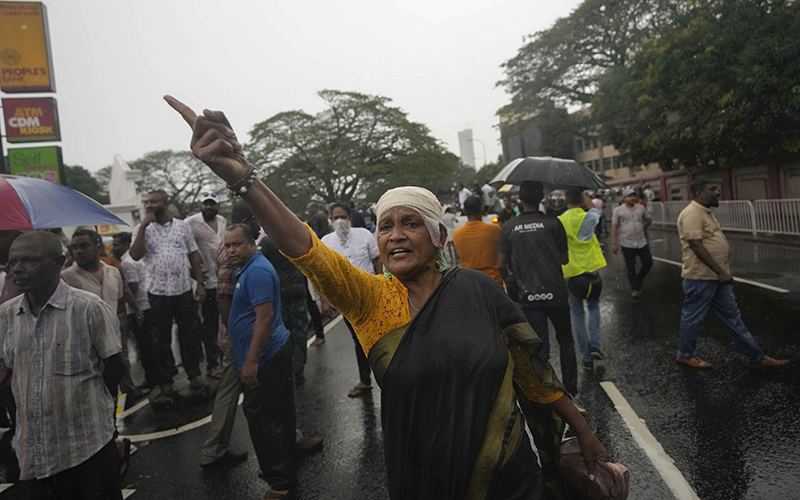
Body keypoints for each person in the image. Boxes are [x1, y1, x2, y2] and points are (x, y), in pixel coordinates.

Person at [165, 96, 609, 500]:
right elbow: (305, 249)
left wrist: (582, 429)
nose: (395, 234)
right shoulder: (370, 300)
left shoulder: (478, 290)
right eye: (385, 225)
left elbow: (532, 372)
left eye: (410, 223)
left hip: (512, 477)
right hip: (426, 481)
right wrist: (243, 178)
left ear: (438, 237)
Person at [0, 231, 126, 500]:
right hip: (33, 454)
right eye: (12, 262)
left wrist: (99, 413)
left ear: (58, 263)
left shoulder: (89, 308)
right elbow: (14, 368)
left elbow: (114, 368)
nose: (17, 270)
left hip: (86, 448)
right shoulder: (7, 315)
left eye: (29, 261)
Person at [675, 180, 789, 370]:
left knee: (733, 317)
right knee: (693, 318)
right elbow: (696, 245)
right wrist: (720, 271)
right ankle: (685, 355)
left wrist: (723, 271)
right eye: (712, 189)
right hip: (700, 278)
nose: (718, 192)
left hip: (718, 277)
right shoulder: (692, 214)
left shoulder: (706, 212)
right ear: (697, 193)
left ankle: (756, 357)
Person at [224, 223, 297, 498]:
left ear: (252, 243)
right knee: (277, 416)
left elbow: (264, 318)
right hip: (267, 353)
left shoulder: (257, 271)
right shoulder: (249, 267)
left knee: (264, 419)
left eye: (236, 244)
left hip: (266, 356)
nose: (231, 250)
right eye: (227, 245)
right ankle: (282, 469)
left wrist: (251, 362)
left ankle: (279, 481)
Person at [498, 181, 578, 396]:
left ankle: (549, 391)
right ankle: (570, 389)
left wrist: (513, 281)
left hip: (528, 294)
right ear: (541, 197)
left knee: (538, 346)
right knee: (566, 340)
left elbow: (500, 265)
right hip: (557, 292)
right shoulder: (553, 223)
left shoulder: (509, 227)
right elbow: (563, 259)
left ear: (521, 199)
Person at [130, 189, 207, 397]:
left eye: (153, 201)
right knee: (160, 339)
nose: (149, 205)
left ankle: (194, 374)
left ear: (165, 202)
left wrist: (199, 284)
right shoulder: (141, 228)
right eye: (147, 202)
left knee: (189, 335)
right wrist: (144, 226)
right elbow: (135, 255)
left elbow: (193, 256)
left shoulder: (183, 227)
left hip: (183, 289)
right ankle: (166, 380)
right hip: (158, 292)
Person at [62, 229, 143, 400]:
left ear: (99, 247)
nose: (79, 251)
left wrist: (136, 309)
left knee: (121, 363)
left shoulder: (112, 271)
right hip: (85, 342)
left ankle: (126, 390)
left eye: (84, 246)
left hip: (113, 332)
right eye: (75, 247)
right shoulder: (65, 278)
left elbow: (123, 293)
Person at [320, 203, 381, 398]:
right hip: (346, 301)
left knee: (380, 336)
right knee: (359, 340)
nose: (340, 220)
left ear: (350, 217)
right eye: (336, 217)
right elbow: (323, 274)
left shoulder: (364, 234)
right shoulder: (326, 241)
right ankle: (365, 380)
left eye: (343, 216)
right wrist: (324, 300)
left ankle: (389, 377)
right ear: (331, 219)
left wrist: (383, 285)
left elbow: (377, 260)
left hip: (371, 294)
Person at [559, 190, 607, 371]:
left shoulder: (560, 221)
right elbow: (595, 211)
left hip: (571, 273)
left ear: (565, 200)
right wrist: (587, 199)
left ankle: (586, 358)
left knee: (577, 314)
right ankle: (595, 344)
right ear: (582, 200)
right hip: (591, 270)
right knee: (593, 307)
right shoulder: (588, 218)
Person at [111, 232, 161, 392]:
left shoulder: (126, 262)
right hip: (146, 305)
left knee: (145, 346)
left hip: (139, 307)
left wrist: (120, 288)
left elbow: (133, 287)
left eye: (116, 245)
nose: (113, 248)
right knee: (149, 345)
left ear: (126, 244)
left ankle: (152, 379)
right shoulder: (132, 259)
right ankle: (156, 377)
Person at [186, 190, 227, 379]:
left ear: (217, 205)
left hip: (224, 278)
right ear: (200, 204)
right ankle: (212, 365)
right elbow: (186, 249)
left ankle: (225, 359)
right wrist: (193, 272)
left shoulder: (222, 221)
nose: (208, 207)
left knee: (225, 320)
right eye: (205, 204)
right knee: (210, 324)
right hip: (207, 281)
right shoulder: (191, 223)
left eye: (212, 204)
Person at [611, 188, 653, 298]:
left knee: (648, 262)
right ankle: (635, 288)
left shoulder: (640, 208)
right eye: (629, 196)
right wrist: (614, 243)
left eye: (634, 195)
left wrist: (644, 228)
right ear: (624, 198)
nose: (632, 198)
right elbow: (614, 227)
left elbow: (648, 219)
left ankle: (638, 279)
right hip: (627, 243)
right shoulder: (618, 210)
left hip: (641, 242)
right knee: (630, 267)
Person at [453, 196, 504, 287]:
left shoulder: (457, 234)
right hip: (493, 282)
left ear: (464, 211)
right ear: (482, 209)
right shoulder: (495, 229)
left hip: (470, 284)